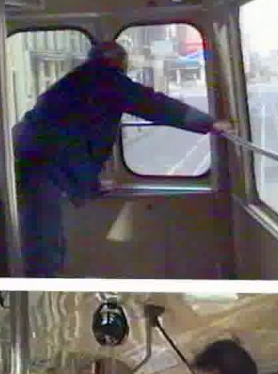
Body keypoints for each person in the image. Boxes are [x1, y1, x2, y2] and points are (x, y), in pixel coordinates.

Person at [13, 41, 234, 277]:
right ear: (118, 62)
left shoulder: (80, 80)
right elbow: (155, 105)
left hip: (33, 159)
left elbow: (76, 136)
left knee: (44, 237)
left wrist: (91, 184)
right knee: (44, 244)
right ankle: (40, 291)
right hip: (40, 167)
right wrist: (209, 123)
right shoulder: (106, 80)